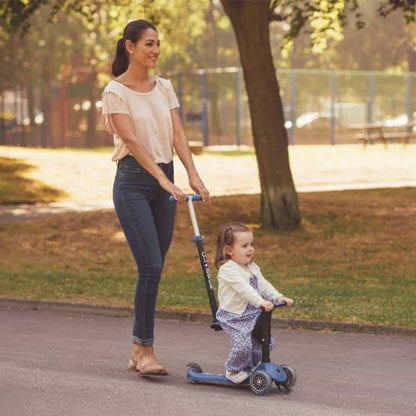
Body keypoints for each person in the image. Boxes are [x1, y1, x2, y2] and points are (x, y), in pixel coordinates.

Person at [101, 19, 210, 376]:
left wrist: (192, 175)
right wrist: (162, 179)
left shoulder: (164, 87)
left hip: (167, 180)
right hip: (133, 182)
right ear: (129, 47)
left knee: (154, 269)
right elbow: (131, 140)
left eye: (158, 44)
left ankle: (137, 349)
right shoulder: (114, 92)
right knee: (149, 265)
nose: (155, 50)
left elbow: (178, 132)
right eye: (148, 43)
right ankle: (145, 350)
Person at [215, 223, 293, 384]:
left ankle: (248, 367)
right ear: (229, 250)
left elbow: (263, 284)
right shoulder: (228, 269)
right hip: (233, 316)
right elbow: (244, 289)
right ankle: (233, 370)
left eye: (252, 245)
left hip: (253, 313)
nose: (250, 249)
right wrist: (261, 302)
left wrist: (278, 297)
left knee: (266, 343)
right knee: (243, 345)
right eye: (244, 246)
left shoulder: (252, 267)